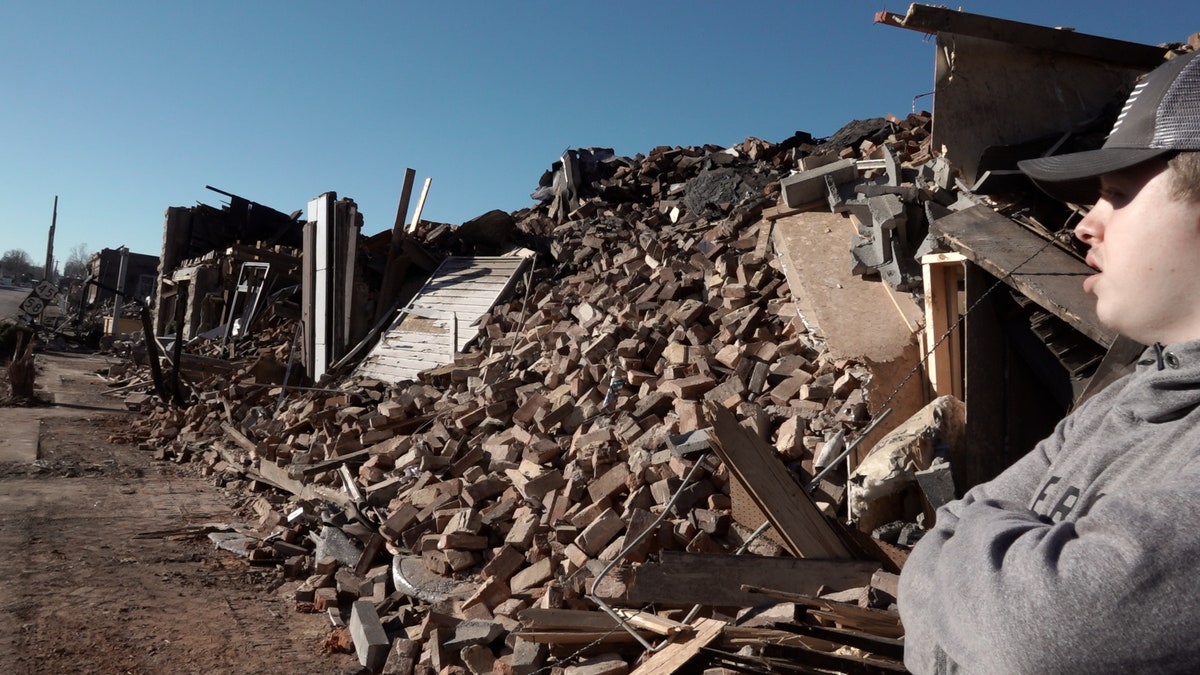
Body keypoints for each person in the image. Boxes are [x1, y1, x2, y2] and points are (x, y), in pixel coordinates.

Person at [898, 50, 1200, 673]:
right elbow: (933, 544)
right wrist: (986, 571)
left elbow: (1041, 635)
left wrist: (969, 565)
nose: (1086, 224)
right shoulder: (1123, 399)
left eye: (1116, 194)